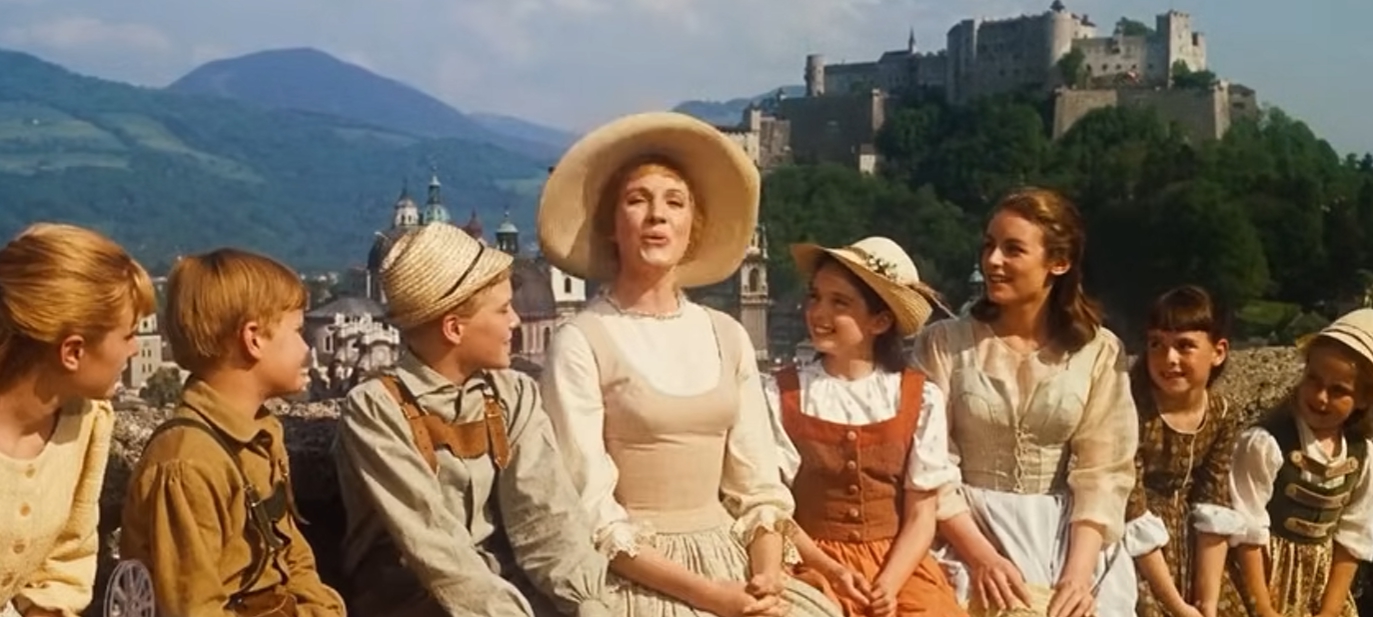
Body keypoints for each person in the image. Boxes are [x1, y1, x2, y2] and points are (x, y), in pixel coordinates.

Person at [539, 111, 841, 617]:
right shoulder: (582, 340)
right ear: (612, 226)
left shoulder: (726, 334)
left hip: (735, 564)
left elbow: (758, 485)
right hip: (638, 574)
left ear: (692, 227)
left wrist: (767, 576)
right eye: (637, 200)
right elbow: (589, 505)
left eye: (674, 202)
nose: (657, 215)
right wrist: (709, 596)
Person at [334, 222, 611, 617]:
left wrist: (587, 601)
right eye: (502, 310)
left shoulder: (513, 394)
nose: (515, 321)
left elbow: (545, 515)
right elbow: (435, 548)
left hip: (507, 594)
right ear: (454, 328)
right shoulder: (377, 409)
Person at [912, 187, 1139, 617]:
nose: (992, 261)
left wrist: (1077, 575)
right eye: (988, 245)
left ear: (1059, 262)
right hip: (963, 532)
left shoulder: (1098, 351)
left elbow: (1104, 471)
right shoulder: (944, 343)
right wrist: (982, 557)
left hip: (1066, 540)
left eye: (1012, 249)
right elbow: (929, 464)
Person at [120, 248, 344, 616]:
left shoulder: (260, 435)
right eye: (298, 331)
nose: (307, 348)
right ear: (253, 339)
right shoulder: (187, 464)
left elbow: (292, 556)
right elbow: (193, 607)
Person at [762, 236, 967, 617]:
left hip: (898, 567)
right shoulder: (783, 393)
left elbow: (921, 515)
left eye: (839, 302)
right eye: (815, 297)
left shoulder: (918, 398)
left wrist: (888, 584)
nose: (819, 312)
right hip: (813, 564)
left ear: (880, 320)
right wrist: (830, 568)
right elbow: (773, 507)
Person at [0, 223, 155, 617]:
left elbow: (66, 560)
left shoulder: (85, 422)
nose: (135, 350)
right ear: (72, 352)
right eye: (128, 335)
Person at [1230, 309, 1373, 617]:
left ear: (1364, 398)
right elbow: (1247, 529)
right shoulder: (1265, 443)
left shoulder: (1362, 455)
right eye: (1313, 379)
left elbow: (1353, 538)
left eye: (1338, 390)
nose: (1320, 396)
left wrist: (1330, 611)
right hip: (1262, 582)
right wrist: (1263, 609)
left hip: (1322, 592)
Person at [1121, 286, 1245, 617]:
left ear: (1218, 352)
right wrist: (1177, 606)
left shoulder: (1222, 413)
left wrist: (1207, 600)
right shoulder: (1131, 410)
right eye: (1156, 344)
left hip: (1194, 547)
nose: (1169, 359)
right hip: (1137, 552)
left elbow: (1214, 498)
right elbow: (1131, 507)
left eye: (1185, 345)